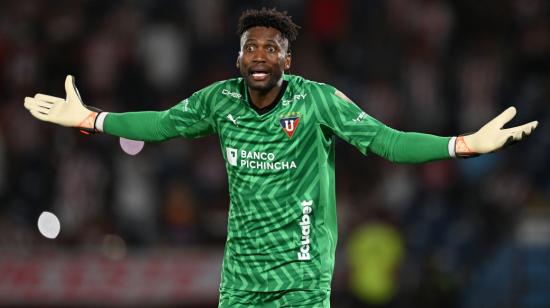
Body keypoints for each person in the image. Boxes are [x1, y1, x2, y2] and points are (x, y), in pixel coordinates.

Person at [24, 7, 538, 308]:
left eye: (272, 48)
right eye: (252, 48)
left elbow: (388, 141)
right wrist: (92, 119)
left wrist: (463, 144)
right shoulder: (219, 100)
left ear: (287, 60)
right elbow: (159, 125)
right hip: (241, 281)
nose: (261, 56)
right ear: (239, 57)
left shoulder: (318, 101)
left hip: (301, 278)